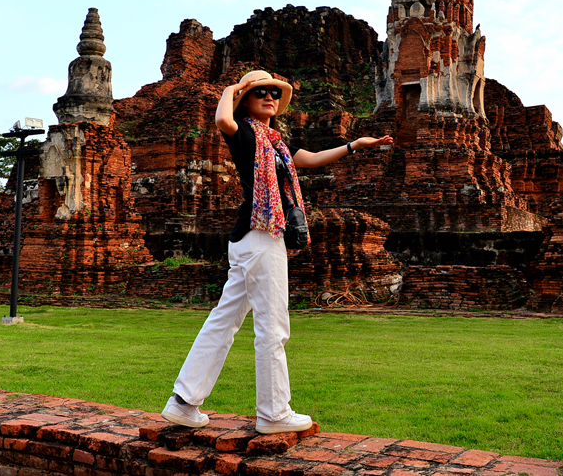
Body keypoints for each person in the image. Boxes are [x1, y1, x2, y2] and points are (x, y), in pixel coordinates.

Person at [161, 70, 393, 434]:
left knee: (224, 321)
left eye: (273, 92)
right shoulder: (244, 133)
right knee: (272, 325)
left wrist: (354, 146)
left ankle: (183, 402)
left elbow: (311, 158)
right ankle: (273, 413)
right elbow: (222, 119)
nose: (269, 96)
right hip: (261, 235)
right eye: (260, 92)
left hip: (252, 239)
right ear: (245, 101)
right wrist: (232, 88)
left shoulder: (275, 143)